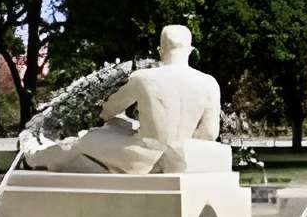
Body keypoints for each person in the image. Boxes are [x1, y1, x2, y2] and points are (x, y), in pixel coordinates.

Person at [25, 25, 236, 174]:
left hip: (144, 158)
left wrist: (131, 124)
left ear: (160, 51)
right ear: (191, 50)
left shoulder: (144, 78)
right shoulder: (209, 83)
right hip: (178, 159)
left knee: (82, 141)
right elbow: (209, 134)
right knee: (111, 132)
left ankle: (35, 156)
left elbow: (107, 112)